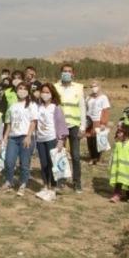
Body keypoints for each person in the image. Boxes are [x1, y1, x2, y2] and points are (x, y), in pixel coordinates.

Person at [53, 64, 87, 193]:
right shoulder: (55, 87)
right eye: (64, 71)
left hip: (74, 126)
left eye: (69, 71)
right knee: (60, 153)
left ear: (73, 74)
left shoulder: (78, 87)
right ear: (60, 73)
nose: (66, 73)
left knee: (76, 156)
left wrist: (82, 127)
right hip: (60, 126)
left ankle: (77, 182)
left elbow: (82, 107)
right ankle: (60, 181)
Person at [1, 82, 36, 196]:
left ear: (28, 91)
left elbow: (33, 122)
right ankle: (9, 181)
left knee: (24, 163)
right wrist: (5, 136)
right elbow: (9, 123)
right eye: (20, 88)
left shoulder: (32, 105)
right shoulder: (12, 106)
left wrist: (29, 136)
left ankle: (22, 184)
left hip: (25, 137)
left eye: (25, 88)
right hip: (13, 138)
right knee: (9, 162)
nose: (22, 90)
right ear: (16, 91)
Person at [33, 83, 68, 198]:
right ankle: (44, 186)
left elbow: (61, 125)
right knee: (43, 164)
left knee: (52, 164)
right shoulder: (38, 106)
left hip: (52, 139)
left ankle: (53, 188)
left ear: (52, 94)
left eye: (47, 92)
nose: (45, 94)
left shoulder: (56, 108)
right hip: (40, 140)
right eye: (43, 92)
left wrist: (60, 140)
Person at [84, 81, 111, 165]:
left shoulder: (103, 97)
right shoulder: (88, 97)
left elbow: (105, 111)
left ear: (99, 87)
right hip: (89, 121)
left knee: (97, 140)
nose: (93, 88)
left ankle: (97, 158)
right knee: (90, 140)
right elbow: (85, 108)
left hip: (98, 121)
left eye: (95, 86)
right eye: (92, 86)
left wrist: (103, 123)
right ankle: (92, 157)